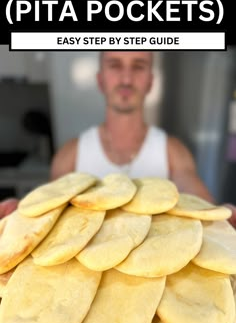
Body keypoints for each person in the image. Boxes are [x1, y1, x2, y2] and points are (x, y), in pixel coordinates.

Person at [1, 51, 236, 225]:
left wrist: (222, 215)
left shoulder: (172, 151)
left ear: (150, 81)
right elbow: (49, 214)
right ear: (101, 79)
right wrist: (19, 216)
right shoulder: (71, 154)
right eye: (115, 65)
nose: (126, 78)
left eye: (138, 66)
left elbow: (203, 206)